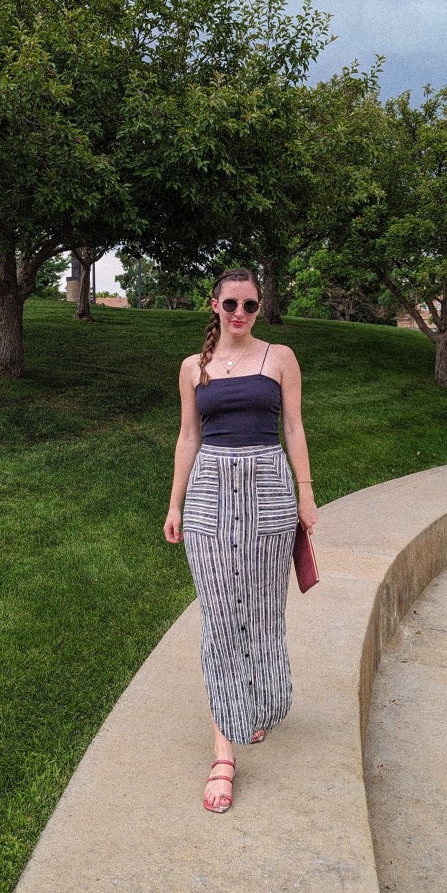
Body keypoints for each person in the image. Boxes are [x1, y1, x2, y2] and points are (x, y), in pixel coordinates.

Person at [163, 268, 318, 814]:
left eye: (250, 305)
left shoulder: (280, 357)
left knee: (262, 609)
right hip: (208, 493)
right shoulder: (192, 368)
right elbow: (188, 436)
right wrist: (175, 502)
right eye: (231, 302)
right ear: (214, 304)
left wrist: (305, 492)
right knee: (218, 615)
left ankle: (252, 702)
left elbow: (294, 429)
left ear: (259, 308)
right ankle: (223, 750)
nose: (240, 312)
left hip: (269, 491)